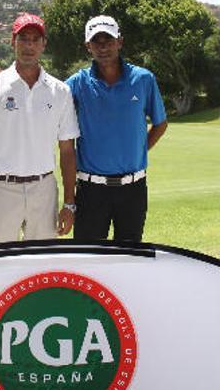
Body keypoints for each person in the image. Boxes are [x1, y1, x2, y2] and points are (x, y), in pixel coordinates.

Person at [0, 13, 80, 243]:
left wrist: (69, 203)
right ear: (12, 41)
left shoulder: (60, 91)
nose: (29, 45)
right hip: (1, 189)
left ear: (44, 44)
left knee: (42, 267)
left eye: (35, 39)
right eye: (23, 38)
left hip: (44, 189)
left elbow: (67, 150)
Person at [66, 15, 168, 242]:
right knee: (88, 260)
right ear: (87, 46)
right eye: (96, 41)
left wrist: (139, 151)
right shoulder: (77, 83)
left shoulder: (143, 79)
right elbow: (47, 98)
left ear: (120, 42)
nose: (103, 46)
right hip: (91, 190)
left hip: (133, 188)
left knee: (130, 259)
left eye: (108, 39)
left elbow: (160, 124)